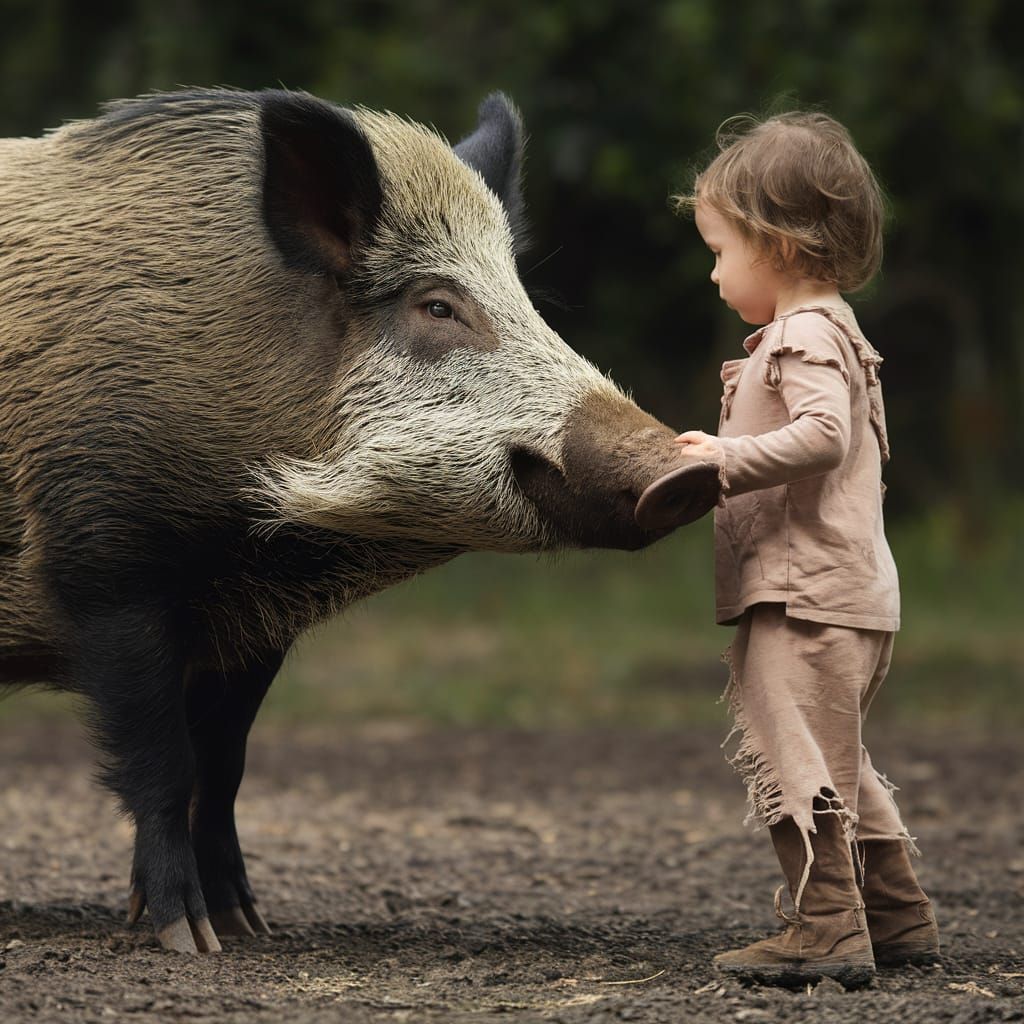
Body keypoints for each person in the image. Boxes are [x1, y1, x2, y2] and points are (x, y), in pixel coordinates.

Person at [671, 111, 939, 989]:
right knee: (839, 762)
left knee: (796, 761)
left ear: (777, 244)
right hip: (843, 592)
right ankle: (897, 917)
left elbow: (823, 436)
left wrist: (725, 460)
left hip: (804, 596)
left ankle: (827, 928)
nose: (713, 273)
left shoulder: (803, 337)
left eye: (720, 250)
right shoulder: (837, 332)